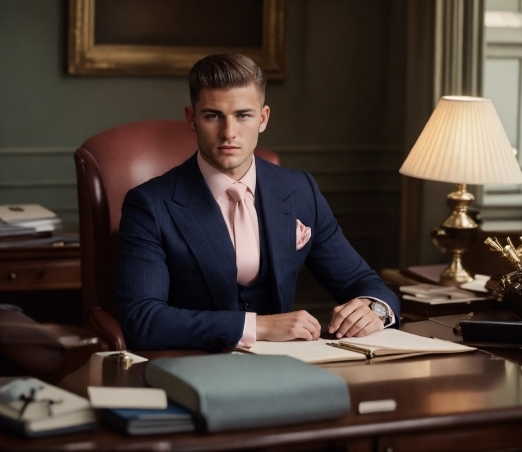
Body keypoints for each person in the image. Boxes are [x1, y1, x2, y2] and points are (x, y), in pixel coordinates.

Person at [115, 54, 400, 351]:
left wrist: (374, 309)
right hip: (191, 365)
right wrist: (257, 326)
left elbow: (363, 282)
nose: (229, 133)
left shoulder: (300, 189)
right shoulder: (150, 205)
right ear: (192, 118)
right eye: (213, 115)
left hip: (284, 368)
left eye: (243, 115)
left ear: (263, 118)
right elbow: (142, 320)